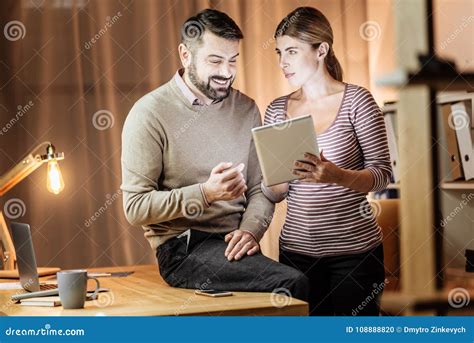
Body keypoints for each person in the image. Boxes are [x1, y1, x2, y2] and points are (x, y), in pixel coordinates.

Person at [121, 9, 309, 302]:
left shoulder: (247, 109)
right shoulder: (149, 113)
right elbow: (135, 207)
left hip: (233, 244)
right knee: (294, 284)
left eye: (233, 61)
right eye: (215, 61)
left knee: (308, 281)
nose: (226, 72)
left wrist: (250, 231)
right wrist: (206, 193)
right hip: (182, 249)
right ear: (185, 55)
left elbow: (263, 188)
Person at [262, 7, 392, 315]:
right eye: (280, 52)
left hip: (355, 255)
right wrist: (276, 179)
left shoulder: (357, 101)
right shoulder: (276, 110)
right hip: (295, 255)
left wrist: (337, 176)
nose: (283, 62)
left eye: (292, 51)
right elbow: (274, 192)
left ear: (321, 50)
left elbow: (383, 174)